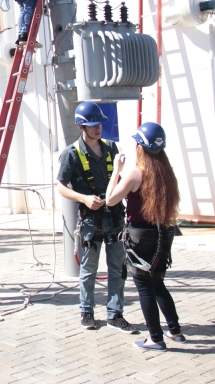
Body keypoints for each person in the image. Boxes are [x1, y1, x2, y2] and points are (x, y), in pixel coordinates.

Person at [57, 101, 137, 333]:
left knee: (118, 268)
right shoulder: (71, 153)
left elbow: (120, 180)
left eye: (99, 124)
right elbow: (61, 186)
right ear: (81, 126)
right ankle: (87, 312)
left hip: (115, 218)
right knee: (89, 269)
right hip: (91, 221)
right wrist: (84, 199)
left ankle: (115, 314)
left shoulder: (112, 148)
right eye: (92, 125)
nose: (97, 128)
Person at [106, 122, 185, 350]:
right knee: (158, 283)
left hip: (140, 236)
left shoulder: (135, 174)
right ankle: (175, 330)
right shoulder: (167, 173)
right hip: (164, 233)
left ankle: (155, 338)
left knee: (145, 287)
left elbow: (110, 199)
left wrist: (116, 171)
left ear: (140, 146)